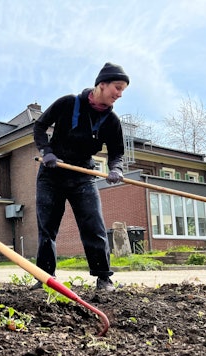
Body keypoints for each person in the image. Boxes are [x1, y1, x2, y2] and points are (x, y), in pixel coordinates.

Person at [31, 62, 130, 292]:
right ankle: (45, 278)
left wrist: (116, 169)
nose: (120, 94)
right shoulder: (67, 103)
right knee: (47, 228)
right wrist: (47, 152)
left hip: (82, 176)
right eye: (117, 87)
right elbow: (40, 126)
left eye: (123, 89)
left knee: (93, 224)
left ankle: (104, 278)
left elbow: (117, 153)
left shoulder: (112, 121)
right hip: (52, 173)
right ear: (101, 85)